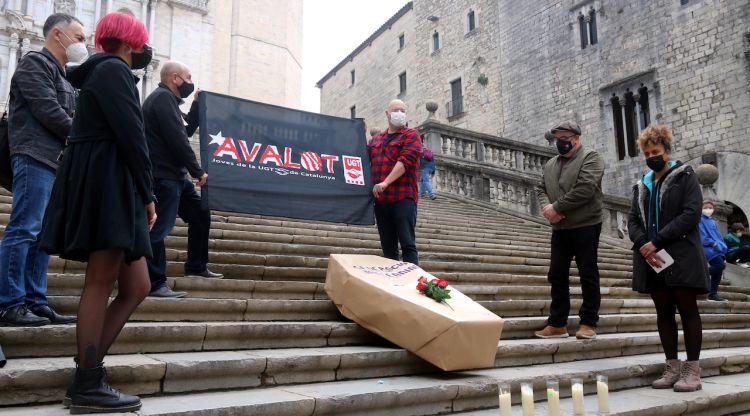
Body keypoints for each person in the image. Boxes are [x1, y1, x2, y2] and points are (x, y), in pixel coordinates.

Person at [39, 12, 155, 413]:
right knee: (100, 281)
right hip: (110, 185)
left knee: (137, 285)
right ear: (129, 43)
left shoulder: (99, 73)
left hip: (108, 181)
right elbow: (132, 136)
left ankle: (86, 371)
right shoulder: (112, 72)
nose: (143, 50)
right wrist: (147, 192)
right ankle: (88, 381)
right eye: (140, 43)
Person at [0, 13, 84, 327]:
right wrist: (81, 135)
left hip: (54, 160)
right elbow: (47, 109)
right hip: (33, 153)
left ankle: (35, 301)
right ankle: (9, 302)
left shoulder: (63, 74)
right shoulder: (35, 63)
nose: (82, 44)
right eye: (78, 37)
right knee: (24, 228)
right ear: (57, 35)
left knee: (41, 235)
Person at [627, 124, 708, 392]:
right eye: (647, 152)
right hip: (652, 258)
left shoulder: (685, 176)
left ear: (667, 151)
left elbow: (691, 214)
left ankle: (692, 371)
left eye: (656, 151)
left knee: (687, 311)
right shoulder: (641, 185)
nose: (652, 156)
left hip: (681, 254)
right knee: (663, 313)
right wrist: (643, 243)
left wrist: (657, 240)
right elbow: (633, 220)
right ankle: (672, 367)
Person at [142, 60, 222, 299]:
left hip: (175, 176)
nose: (190, 82)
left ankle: (196, 266)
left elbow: (185, 129)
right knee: (159, 229)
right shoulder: (162, 99)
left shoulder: (169, 103)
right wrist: (198, 171)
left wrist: (196, 104)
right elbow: (179, 141)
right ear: (175, 78)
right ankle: (155, 283)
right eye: (188, 77)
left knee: (200, 214)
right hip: (163, 176)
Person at [534, 121, 604, 340]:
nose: (560, 142)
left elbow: (585, 188)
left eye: (564, 138)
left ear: (576, 138)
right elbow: (540, 187)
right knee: (556, 274)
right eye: (557, 138)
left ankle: (588, 322)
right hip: (560, 226)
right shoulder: (551, 163)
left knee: (588, 272)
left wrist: (557, 207)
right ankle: (557, 323)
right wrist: (548, 208)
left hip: (586, 224)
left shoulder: (591, 158)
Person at [367, 99, 422, 265]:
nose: (400, 113)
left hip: (403, 197)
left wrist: (385, 182)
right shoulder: (375, 140)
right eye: (396, 110)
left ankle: (413, 282)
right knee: (388, 246)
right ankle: (393, 284)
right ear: (387, 113)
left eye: (403, 110)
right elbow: (362, 162)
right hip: (381, 201)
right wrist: (356, 134)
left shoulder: (412, 135)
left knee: (407, 244)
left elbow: (406, 160)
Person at [699, 200, 728, 301]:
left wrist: (723, 251)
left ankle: (713, 293)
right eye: (706, 207)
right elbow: (701, 236)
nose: (708, 210)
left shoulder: (713, 221)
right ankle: (699, 274)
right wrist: (712, 243)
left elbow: (719, 237)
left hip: (718, 249)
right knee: (719, 266)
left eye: (710, 208)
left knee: (720, 268)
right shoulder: (699, 219)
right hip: (708, 248)